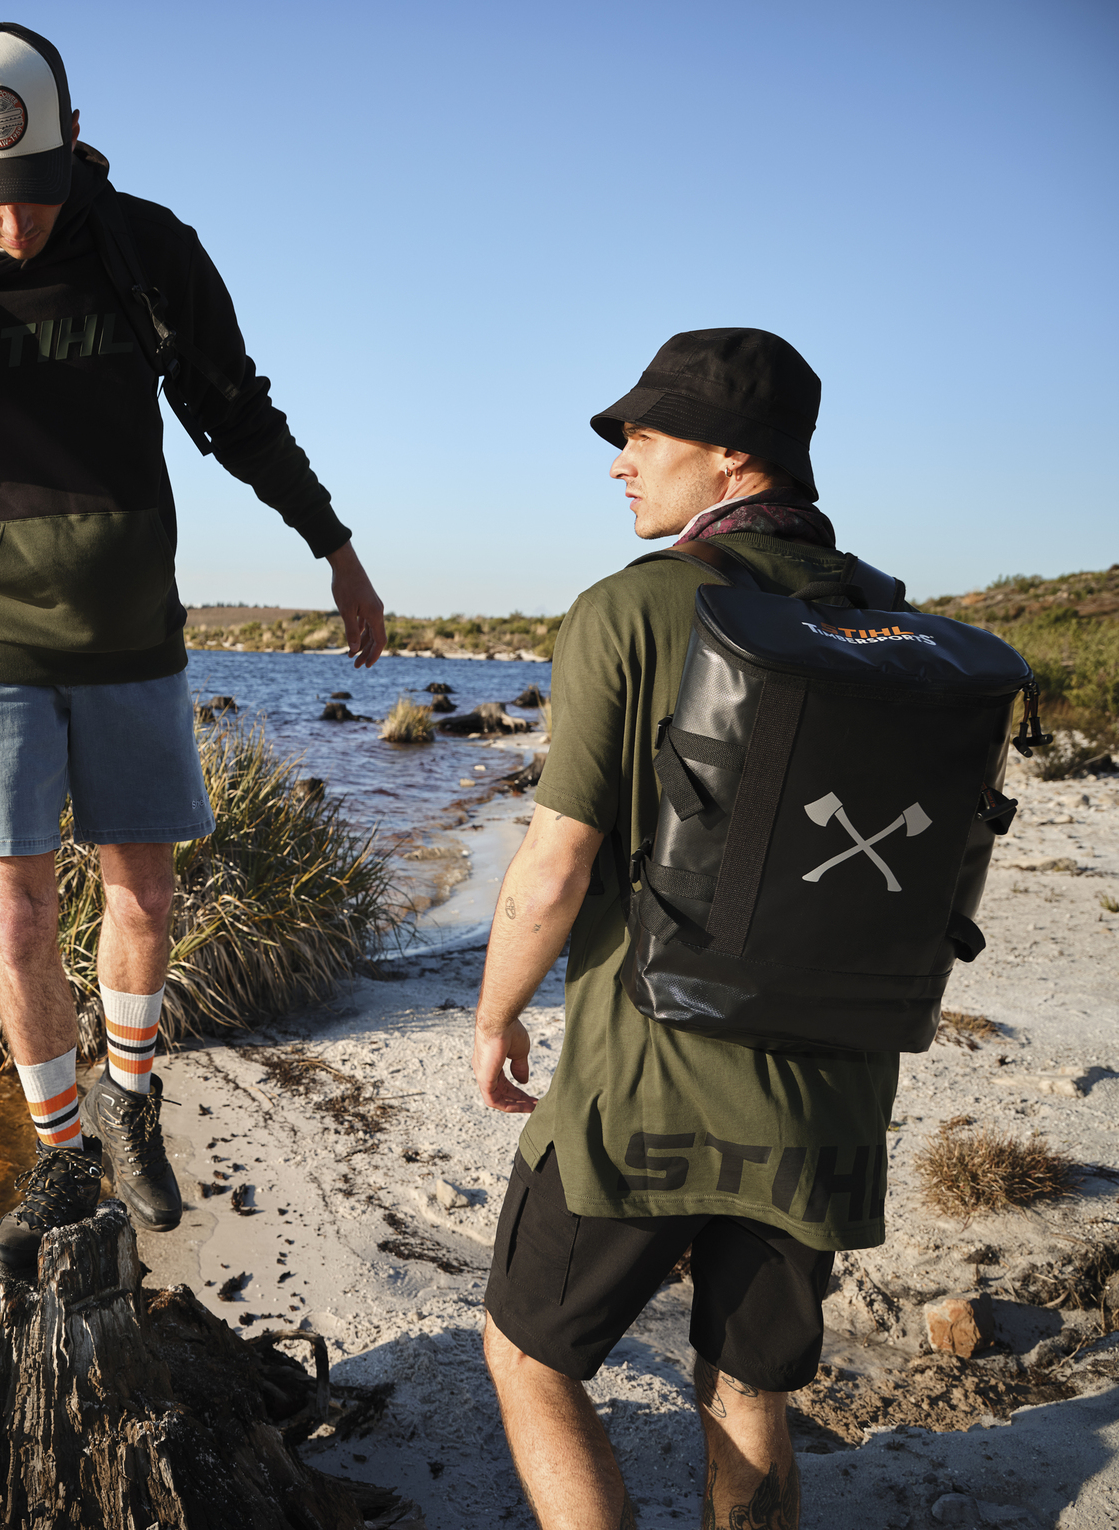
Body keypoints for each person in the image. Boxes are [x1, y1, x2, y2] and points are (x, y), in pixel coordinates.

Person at [0, 22, 385, 1282]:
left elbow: (236, 408)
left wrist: (333, 543)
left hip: (130, 635)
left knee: (148, 897)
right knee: (16, 907)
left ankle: (133, 1102)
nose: (13, 227)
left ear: (72, 149)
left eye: (34, 198)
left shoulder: (146, 250)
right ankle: (60, 1152)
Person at [470, 329, 900, 1529]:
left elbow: (555, 866)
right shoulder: (888, 619)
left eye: (645, 437)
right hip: (828, 1100)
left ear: (732, 458)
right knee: (748, 1390)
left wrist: (497, 1012)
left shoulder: (633, 610)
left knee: (529, 1353)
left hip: (646, 1085)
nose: (621, 462)